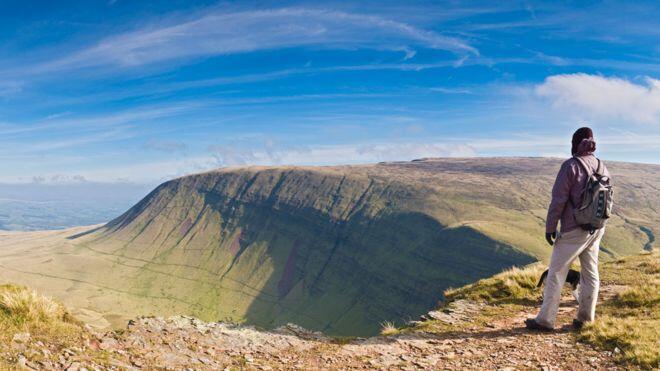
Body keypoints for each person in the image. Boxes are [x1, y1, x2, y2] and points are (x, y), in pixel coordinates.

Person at [525, 127, 610, 331]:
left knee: (556, 273)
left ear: (575, 142)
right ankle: (585, 319)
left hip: (574, 229)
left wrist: (550, 227)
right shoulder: (602, 166)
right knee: (590, 272)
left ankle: (545, 321)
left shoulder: (571, 166)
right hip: (596, 228)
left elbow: (559, 200)